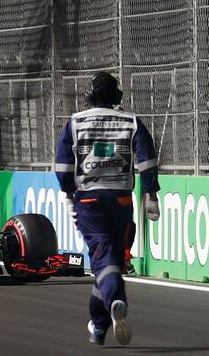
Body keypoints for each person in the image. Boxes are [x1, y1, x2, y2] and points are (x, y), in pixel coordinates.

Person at [55, 72, 160, 346]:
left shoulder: (75, 122)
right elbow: (147, 159)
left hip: (89, 199)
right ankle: (98, 326)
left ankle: (115, 299)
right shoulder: (131, 121)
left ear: (90, 95)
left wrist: (68, 194)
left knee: (103, 258)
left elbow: (63, 166)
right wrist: (151, 194)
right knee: (110, 258)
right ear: (117, 97)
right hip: (122, 200)